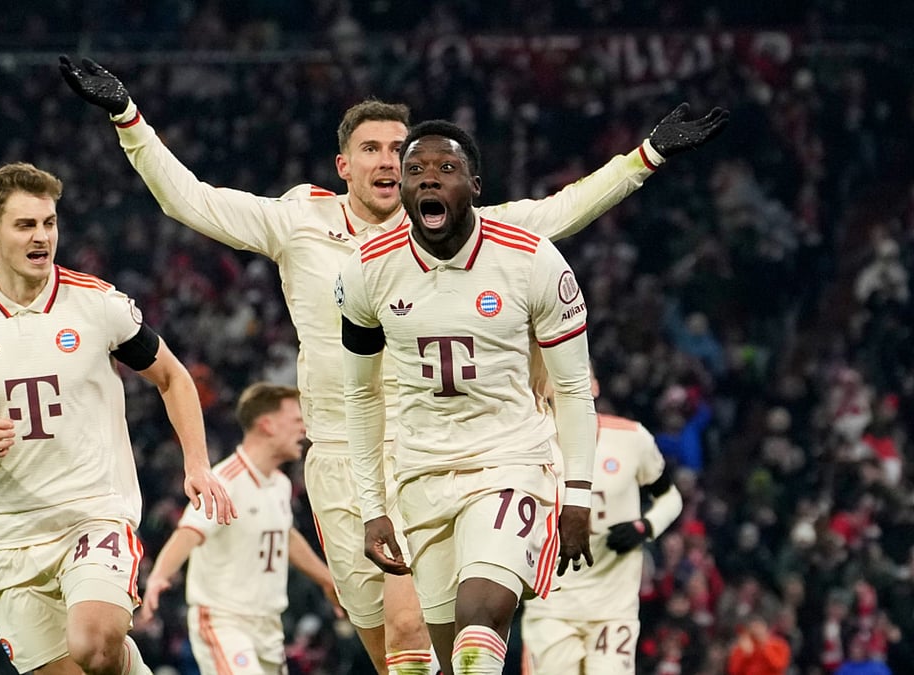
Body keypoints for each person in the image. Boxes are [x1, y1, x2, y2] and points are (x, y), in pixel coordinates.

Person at [59, 54, 727, 675]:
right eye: (371, 149)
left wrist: (646, 156)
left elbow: (556, 212)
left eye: (397, 150)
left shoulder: (450, 228)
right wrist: (128, 117)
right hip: (341, 458)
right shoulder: (298, 222)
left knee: (416, 624)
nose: (388, 161)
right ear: (344, 165)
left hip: (431, 447)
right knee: (390, 646)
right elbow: (190, 199)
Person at [0, 161, 235, 675]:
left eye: (49, 223)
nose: (41, 237)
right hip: (10, 535)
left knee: (94, 643)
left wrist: (197, 464)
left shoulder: (97, 303)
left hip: (93, 515)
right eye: (25, 225)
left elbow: (173, 378)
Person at [337, 119, 598, 675]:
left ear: (475, 185)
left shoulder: (532, 260)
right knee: (452, 658)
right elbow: (360, 396)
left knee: (479, 636)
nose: (429, 180)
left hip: (510, 462)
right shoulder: (365, 269)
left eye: (446, 169)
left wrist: (577, 492)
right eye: (416, 170)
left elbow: (574, 387)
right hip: (419, 474)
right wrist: (373, 506)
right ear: (403, 189)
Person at [139, 383, 340, 674]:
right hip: (224, 621)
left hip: (269, 625)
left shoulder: (280, 484)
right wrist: (159, 575)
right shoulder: (225, 480)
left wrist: (327, 580)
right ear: (267, 425)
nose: (304, 429)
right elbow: (188, 532)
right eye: (297, 420)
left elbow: (284, 536)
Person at [520, 370, 684, 675]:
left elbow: (670, 498)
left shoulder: (632, 438)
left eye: (580, 376)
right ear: (545, 389)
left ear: (594, 386)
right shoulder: (529, 444)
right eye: (561, 376)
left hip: (613, 608)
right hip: (551, 606)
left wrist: (644, 527)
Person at [727, 614, 792, 675]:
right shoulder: (744, 646)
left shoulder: (780, 645)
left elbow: (779, 665)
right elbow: (734, 671)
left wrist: (764, 647)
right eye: (753, 628)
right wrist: (746, 654)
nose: (757, 631)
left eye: (759, 627)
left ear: (765, 628)